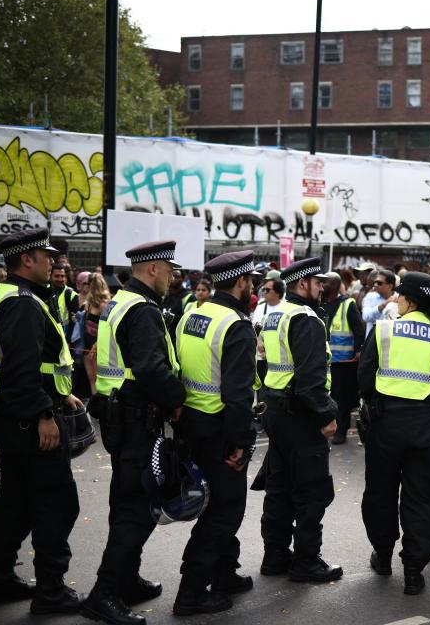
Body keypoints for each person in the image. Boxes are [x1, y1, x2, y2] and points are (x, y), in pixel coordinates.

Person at [81, 242, 188, 625]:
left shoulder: (120, 302)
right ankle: (104, 593)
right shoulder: (142, 310)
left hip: (119, 418)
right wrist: (177, 402)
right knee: (136, 511)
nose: (173, 278)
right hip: (136, 419)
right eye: (170, 271)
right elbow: (151, 368)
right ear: (154, 269)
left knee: (125, 503)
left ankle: (125, 580)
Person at [0, 229, 85, 615]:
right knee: (56, 503)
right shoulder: (24, 303)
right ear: (27, 260)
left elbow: (35, 363)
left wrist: (61, 395)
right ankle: (51, 592)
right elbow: (21, 371)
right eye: (46, 257)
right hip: (28, 418)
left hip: (13, 415)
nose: (53, 264)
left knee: (16, 500)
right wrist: (44, 413)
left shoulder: (15, 297)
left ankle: (0, 579)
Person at [171, 251, 259, 616]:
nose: (252, 286)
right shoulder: (235, 325)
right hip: (221, 433)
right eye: (251, 281)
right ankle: (191, 592)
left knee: (218, 508)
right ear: (240, 282)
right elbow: (238, 396)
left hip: (192, 426)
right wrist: (242, 442)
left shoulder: (193, 313)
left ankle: (224, 573)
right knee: (223, 512)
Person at [358, 272, 430, 595]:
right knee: (420, 499)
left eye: (399, 296)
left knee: (380, 493)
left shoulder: (384, 330)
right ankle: (413, 571)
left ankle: (383, 556)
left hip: (385, 424)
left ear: (411, 301)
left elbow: (365, 376)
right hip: (425, 425)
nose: (395, 300)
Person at [255, 257, 342, 582]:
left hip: (277, 410)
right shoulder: (306, 319)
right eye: (318, 282)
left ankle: (275, 556)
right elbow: (310, 378)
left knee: (279, 487)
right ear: (303, 284)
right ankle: (307, 561)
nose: (322, 287)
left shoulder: (276, 314)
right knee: (311, 491)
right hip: (302, 417)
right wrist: (326, 415)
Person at [323, 272, 364, 444]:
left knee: (342, 398)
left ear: (334, 285)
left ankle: (341, 430)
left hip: (343, 361)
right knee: (326, 395)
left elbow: (358, 329)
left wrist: (359, 350)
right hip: (325, 361)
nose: (322, 286)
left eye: (326, 283)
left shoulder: (348, 304)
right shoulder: (320, 304)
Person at [70, 273, 111, 400]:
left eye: (87, 283)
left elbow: (107, 329)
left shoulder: (105, 304)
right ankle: (95, 402)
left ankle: (102, 402)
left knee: (100, 377)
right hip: (87, 344)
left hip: (98, 345)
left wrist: (96, 345)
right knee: (91, 377)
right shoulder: (89, 303)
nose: (85, 286)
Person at [251, 276, 285, 383]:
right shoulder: (260, 307)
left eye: (267, 290)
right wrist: (259, 341)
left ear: (278, 293)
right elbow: (253, 327)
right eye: (263, 289)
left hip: (277, 361)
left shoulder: (285, 308)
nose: (264, 292)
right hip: (261, 359)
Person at [362, 269, 398, 337]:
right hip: (373, 342)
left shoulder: (399, 298)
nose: (375, 285)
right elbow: (365, 317)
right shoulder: (370, 297)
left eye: (379, 283)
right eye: (375, 282)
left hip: (391, 340)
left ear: (390, 286)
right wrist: (383, 305)